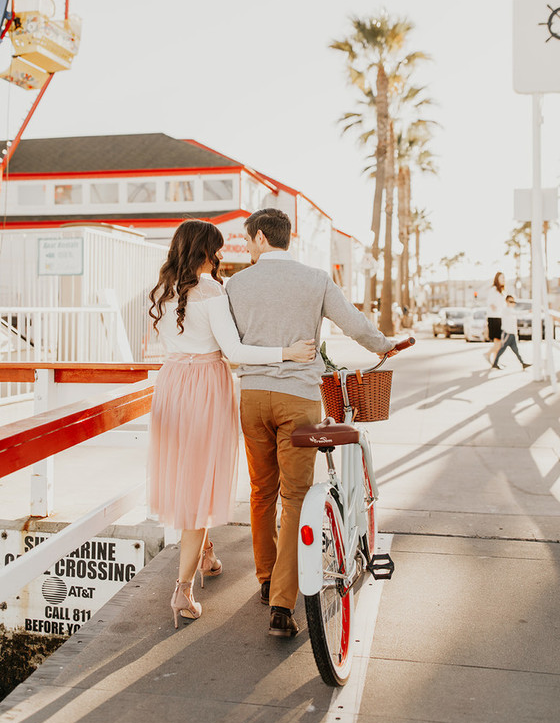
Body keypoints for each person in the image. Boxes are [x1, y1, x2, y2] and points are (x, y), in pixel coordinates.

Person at [226, 208, 397, 638]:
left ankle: (265, 579)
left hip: (251, 398)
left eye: (248, 241)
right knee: (296, 496)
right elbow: (355, 323)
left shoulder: (236, 284)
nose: (247, 248)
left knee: (261, 490)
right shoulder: (315, 278)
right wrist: (385, 345)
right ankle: (282, 605)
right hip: (298, 399)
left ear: (261, 237)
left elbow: (227, 344)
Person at [147, 219, 316, 628]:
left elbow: (163, 344)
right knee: (200, 483)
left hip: (170, 385)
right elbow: (236, 352)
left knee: (184, 476)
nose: (218, 256)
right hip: (204, 386)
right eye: (215, 249)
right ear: (204, 250)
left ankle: (205, 554)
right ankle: (183, 590)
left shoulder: (158, 291)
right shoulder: (210, 290)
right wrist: (287, 353)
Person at [492, 295, 531, 370]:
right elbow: (517, 313)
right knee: (502, 349)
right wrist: (528, 311)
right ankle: (495, 363)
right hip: (507, 333)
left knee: (516, 350)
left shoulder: (511, 310)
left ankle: (523, 363)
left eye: (513, 302)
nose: (512, 303)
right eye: (510, 301)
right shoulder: (506, 310)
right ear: (506, 301)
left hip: (512, 334)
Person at [484, 271, 506, 365]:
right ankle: (487, 354)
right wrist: (495, 308)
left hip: (500, 318)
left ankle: (495, 362)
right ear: (497, 279)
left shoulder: (503, 291)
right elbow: (490, 303)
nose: (503, 280)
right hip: (494, 318)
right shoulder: (493, 290)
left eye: (504, 278)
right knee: (499, 343)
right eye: (501, 278)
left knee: (497, 342)